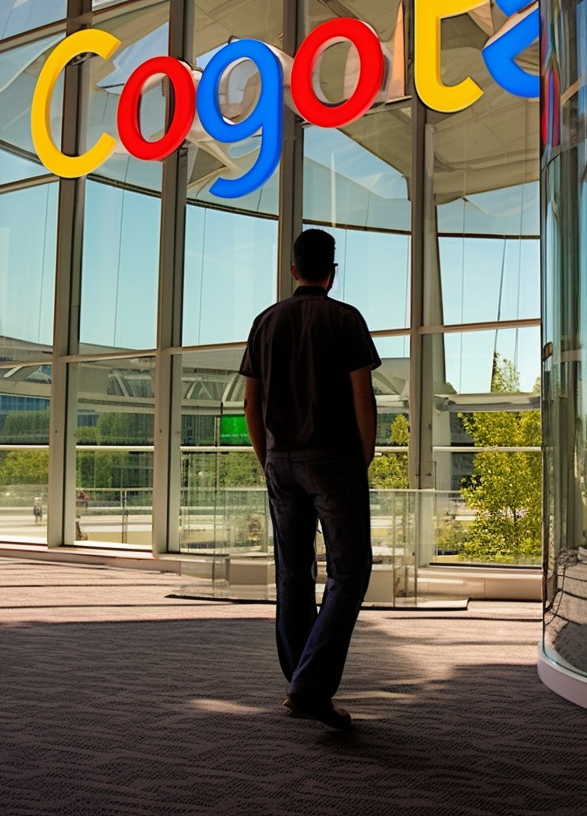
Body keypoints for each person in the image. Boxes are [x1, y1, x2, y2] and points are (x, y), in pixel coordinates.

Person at [239, 228, 380, 731]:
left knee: (293, 573)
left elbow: (251, 404)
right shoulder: (346, 320)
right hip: (335, 459)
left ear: (294, 269)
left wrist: (268, 458)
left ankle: (301, 678)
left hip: (281, 459)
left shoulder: (265, 322)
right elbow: (363, 398)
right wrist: (361, 459)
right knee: (350, 571)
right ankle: (309, 684)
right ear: (331, 271)